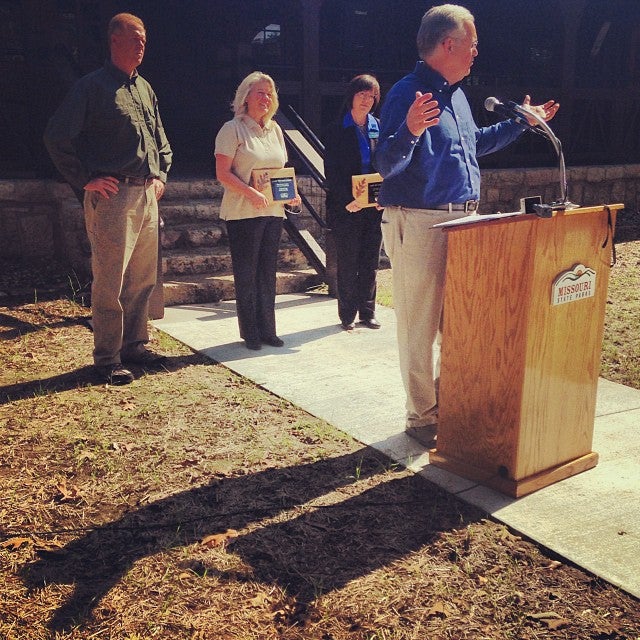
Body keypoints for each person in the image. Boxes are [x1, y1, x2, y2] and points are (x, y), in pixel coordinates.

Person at [374, 4, 559, 445]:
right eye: (472, 44)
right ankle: (422, 417)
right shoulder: (407, 93)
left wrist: (520, 122)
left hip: (464, 220)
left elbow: (474, 145)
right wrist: (410, 130)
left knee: (460, 323)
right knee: (419, 327)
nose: (477, 52)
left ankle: (449, 404)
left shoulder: (456, 96)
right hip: (420, 220)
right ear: (448, 44)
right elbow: (385, 164)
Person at [44, 12, 173, 385]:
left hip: (146, 194)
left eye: (144, 38)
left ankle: (135, 346)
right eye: (134, 37)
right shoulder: (91, 87)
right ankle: (107, 358)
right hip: (113, 197)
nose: (141, 44)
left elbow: (161, 139)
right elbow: (56, 136)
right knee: (110, 280)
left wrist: (160, 176)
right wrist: (86, 179)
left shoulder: (145, 88)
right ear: (114, 40)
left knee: (142, 279)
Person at [214, 72, 301, 350]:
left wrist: (291, 194)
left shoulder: (275, 130)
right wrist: (250, 192)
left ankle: (268, 330)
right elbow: (222, 174)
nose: (266, 98)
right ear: (246, 97)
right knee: (247, 274)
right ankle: (250, 332)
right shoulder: (232, 129)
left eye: (269, 93)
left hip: (273, 211)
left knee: (267, 273)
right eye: (260, 93)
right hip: (243, 212)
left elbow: (279, 172)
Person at [323, 74, 383, 331]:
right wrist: (349, 200)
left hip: (373, 206)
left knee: (370, 261)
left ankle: (367, 312)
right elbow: (332, 171)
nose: (366, 100)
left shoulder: (379, 127)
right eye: (362, 94)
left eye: (371, 96)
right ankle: (347, 314)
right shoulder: (336, 128)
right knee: (348, 262)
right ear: (352, 96)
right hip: (346, 207)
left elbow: (386, 165)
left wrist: (383, 196)